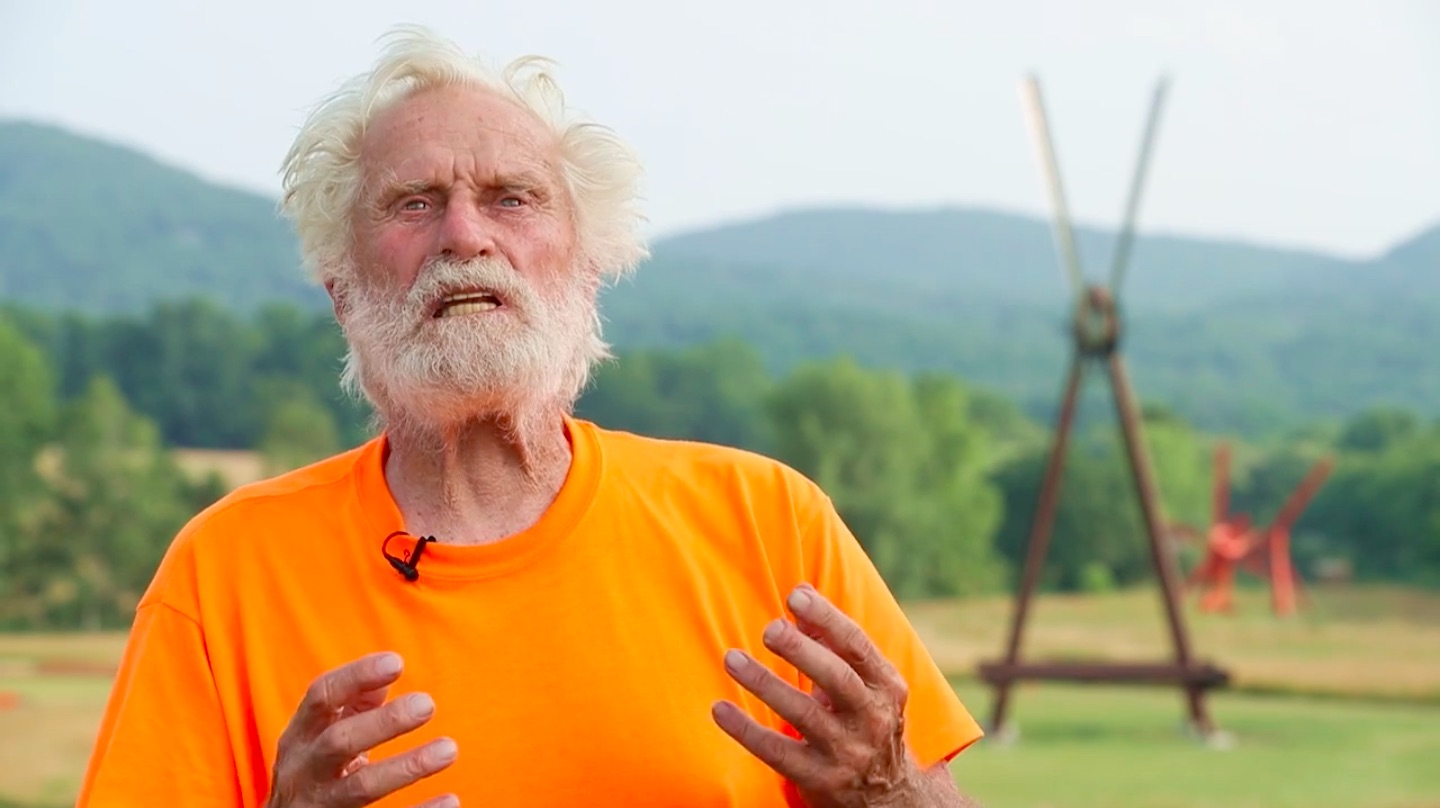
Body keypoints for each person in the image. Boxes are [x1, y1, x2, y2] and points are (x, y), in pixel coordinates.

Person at [76, 25, 984, 808]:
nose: (465, 235)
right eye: (413, 203)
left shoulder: (769, 523)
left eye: (512, 197)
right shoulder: (224, 571)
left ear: (588, 270)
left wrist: (893, 789)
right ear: (342, 292)